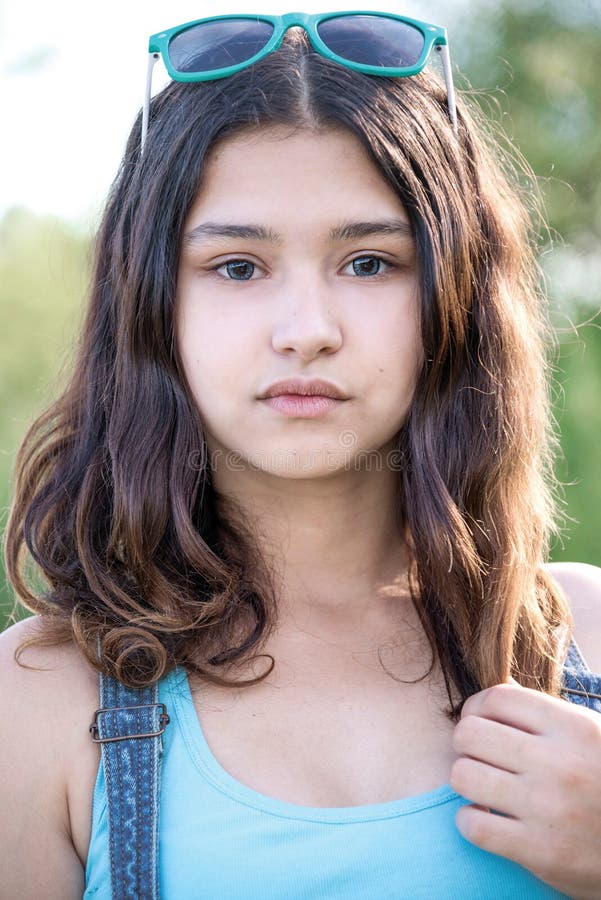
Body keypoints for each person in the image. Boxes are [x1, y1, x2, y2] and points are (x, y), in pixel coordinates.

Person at [1, 12, 600, 900]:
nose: (308, 332)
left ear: (456, 295)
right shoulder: (37, 705)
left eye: (368, 262)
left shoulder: (581, 641)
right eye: (237, 267)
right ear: (150, 301)